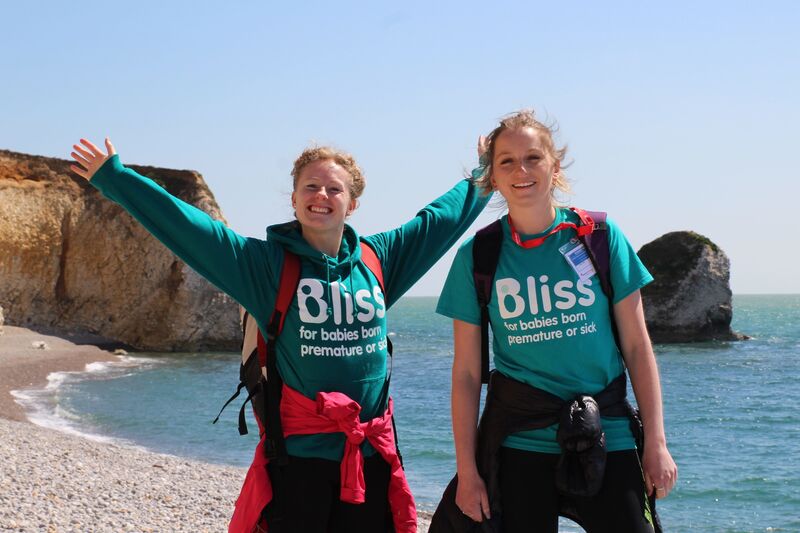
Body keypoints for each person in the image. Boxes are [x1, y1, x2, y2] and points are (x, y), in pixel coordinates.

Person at [70, 137, 489, 533]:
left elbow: (439, 221)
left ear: (353, 203)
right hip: (298, 467)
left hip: (370, 460)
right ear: (293, 199)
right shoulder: (264, 267)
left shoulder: (379, 261)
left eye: (333, 189)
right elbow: (188, 228)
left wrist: (483, 175)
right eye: (310, 186)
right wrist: (117, 178)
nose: (321, 196)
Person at [433, 110, 677, 533]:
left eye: (533, 158)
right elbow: (468, 374)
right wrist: (468, 472)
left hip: (609, 430)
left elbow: (638, 347)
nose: (520, 170)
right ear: (491, 175)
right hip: (519, 439)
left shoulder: (598, 236)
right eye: (506, 161)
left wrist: (656, 441)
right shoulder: (479, 255)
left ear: (555, 166)